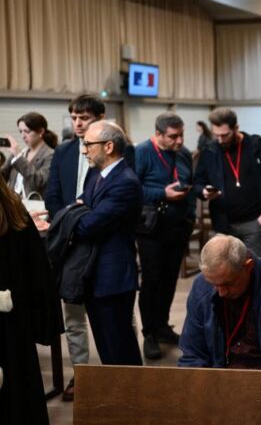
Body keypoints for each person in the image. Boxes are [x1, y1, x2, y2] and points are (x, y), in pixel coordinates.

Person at [43, 94, 105, 400]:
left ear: (99, 118)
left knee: (114, 315)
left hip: (101, 240)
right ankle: (80, 374)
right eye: (75, 117)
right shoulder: (64, 152)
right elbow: (52, 195)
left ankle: (115, 372)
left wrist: (84, 223)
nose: (79, 123)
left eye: (85, 118)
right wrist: (67, 225)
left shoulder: (115, 150)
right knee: (73, 315)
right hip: (69, 244)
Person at [179, 234, 261, 370]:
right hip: (219, 380)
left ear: (248, 266)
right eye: (214, 284)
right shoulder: (201, 285)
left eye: (228, 284)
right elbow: (193, 355)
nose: (221, 292)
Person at [75, 121, 144, 366]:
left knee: (120, 348)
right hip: (95, 275)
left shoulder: (125, 182)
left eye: (88, 145)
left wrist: (69, 221)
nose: (84, 151)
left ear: (109, 146)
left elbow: (88, 224)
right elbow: (79, 207)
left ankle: (133, 399)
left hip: (113, 278)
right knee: (106, 347)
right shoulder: (96, 175)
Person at [0, 180, 62, 425]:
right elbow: (38, 274)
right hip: (15, 325)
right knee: (19, 403)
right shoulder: (13, 208)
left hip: (10, 320)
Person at [134, 112, 195, 360]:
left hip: (178, 226)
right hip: (151, 229)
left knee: (170, 280)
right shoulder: (142, 152)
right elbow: (132, 188)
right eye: (173, 137)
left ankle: (162, 326)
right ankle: (149, 332)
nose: (179, 141)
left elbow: (190, 181)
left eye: (181, 135)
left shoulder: (184, 153)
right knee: (152, 282)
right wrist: (162, 193)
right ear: (158, 134)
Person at [194, 108, 261, 259]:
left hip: (255, 222)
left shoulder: (257, 146)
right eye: (217, 135)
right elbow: (198, 182)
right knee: (228, 273)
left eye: (225, 135)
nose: (220, 140)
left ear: (236, 128)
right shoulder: (209, 150)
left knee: (258, 269)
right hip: (223, 224)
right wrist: (204, 191)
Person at [2, 112, 57, 198]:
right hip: (14, 204)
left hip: (34, 205)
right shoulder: (20, 153)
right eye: (20, 131)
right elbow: (2, 177)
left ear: (41, 131)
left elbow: (39, 181)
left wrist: (18, 156)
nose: (23, 136)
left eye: (27, 131)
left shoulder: (51, 154)